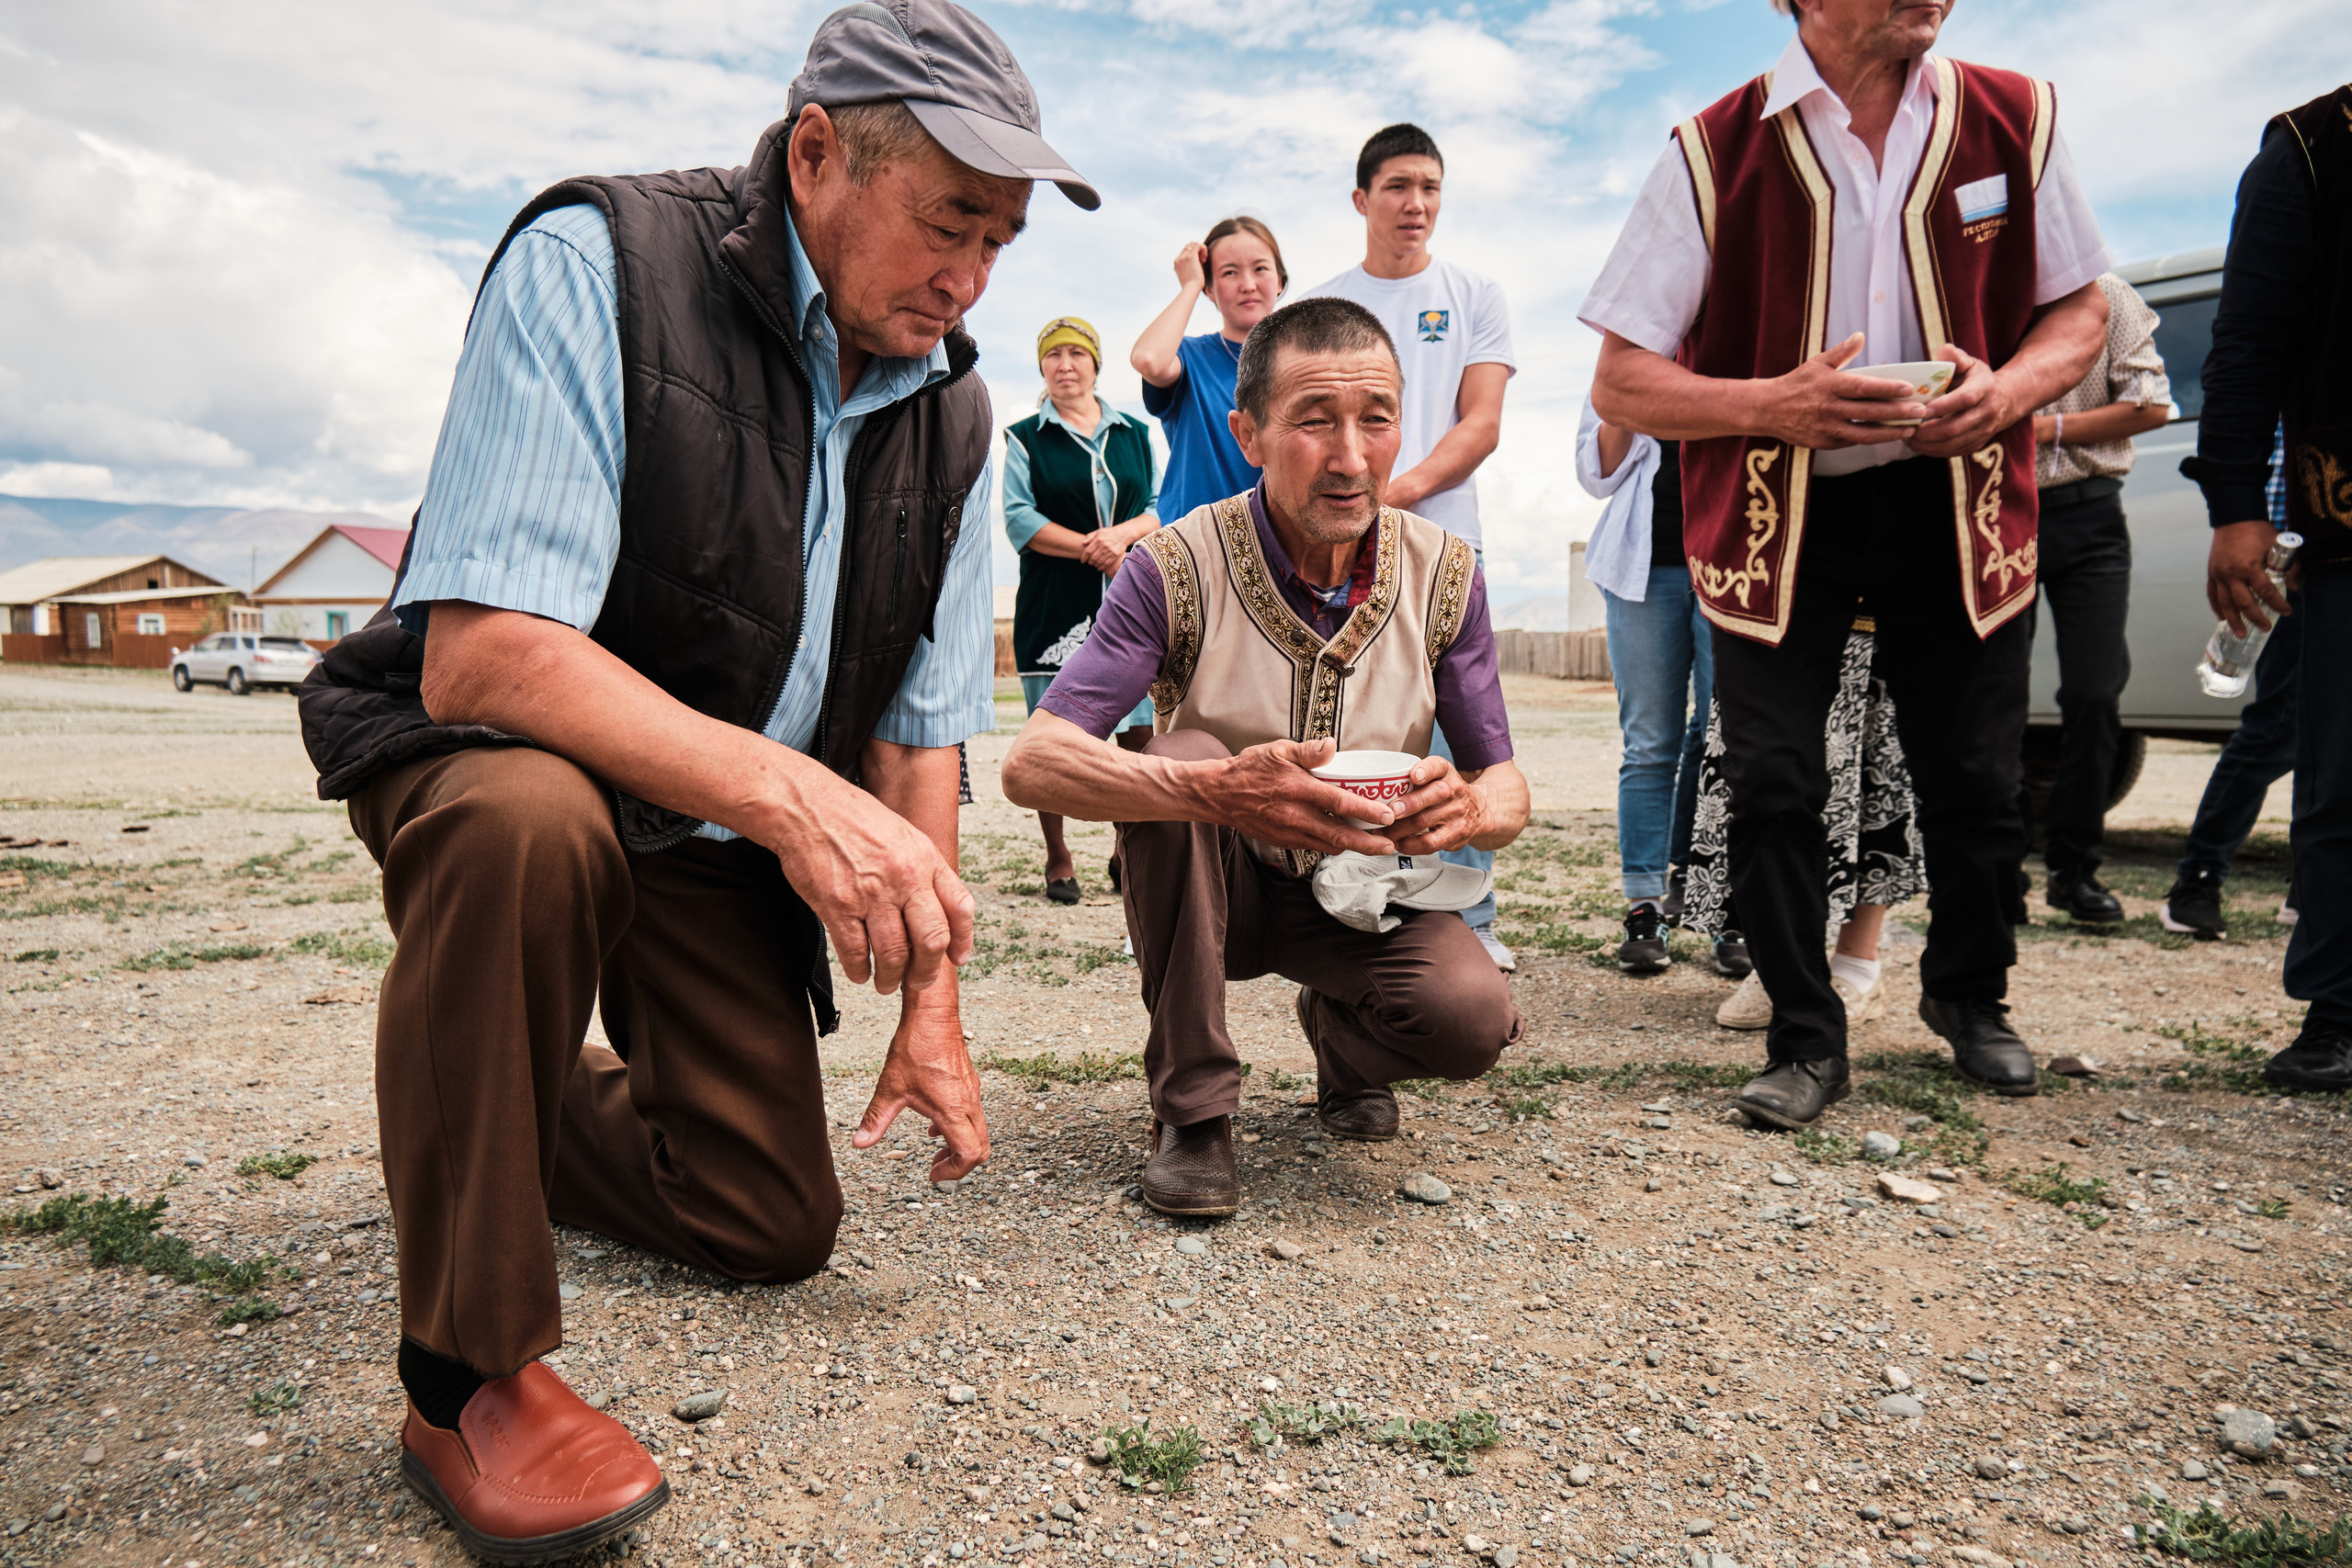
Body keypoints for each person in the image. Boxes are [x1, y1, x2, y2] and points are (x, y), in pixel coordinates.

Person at [293, 2, 1095, 1554]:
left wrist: (931, 999)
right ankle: (464, 1375)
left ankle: (487, 1103)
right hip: (513, 766)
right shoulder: (599, 265)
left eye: (998, 244)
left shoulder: (956, 410)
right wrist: (793, 803)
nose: (969, 279)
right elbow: (485, 655)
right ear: (815, 156)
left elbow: (920, 735)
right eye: (947, 223)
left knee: (769, 1219)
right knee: (528, 822)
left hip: (711, 824)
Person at [1581, 0, 2113, 1128]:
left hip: (1958, 499)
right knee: (1774, 778)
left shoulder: (2017, 117)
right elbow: (1622, 382)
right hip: (1783, 515)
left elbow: (2080, 311)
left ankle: (1969, 998)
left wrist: (2008, 392)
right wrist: (1771, 404)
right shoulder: (1710, 149)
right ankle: (1803, 1032)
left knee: (1973, 771)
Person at [1001, 297, 1527, 1217]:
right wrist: (1216, 789)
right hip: (1218, 893)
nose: (1351, 456)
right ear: (1247, 433)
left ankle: (1342, 1036)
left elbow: (1506, 781)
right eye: (1313, 422)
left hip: (1364, 895)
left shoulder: (1448, 573)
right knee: (1180, 752)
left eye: (1376, 418)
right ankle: (1194, 1111)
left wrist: (1471, 810)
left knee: (1471, 1020)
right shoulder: (1172, 564)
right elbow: (1033, 764)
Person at [1301, 123, 1518, 973]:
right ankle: (1357, 898)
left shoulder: (1474, 294)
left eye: (1429, 186)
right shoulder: (1323, 306)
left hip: (1444, 547)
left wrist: (1390, 494)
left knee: (1465, 734)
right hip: (1339, 550)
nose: (1415, 203)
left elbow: (1483, 423)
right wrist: (1352, 504)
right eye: (1397, 186)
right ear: (1362, 199)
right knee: (1362, 730)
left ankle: (1473, 914)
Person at [2180, 81, 2352, 1091]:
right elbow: (2246, 343)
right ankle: (2336, 1011)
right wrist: (2236, 503)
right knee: (2339, 781)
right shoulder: (2310, 145)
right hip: (2343, 520)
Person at [1684, 615, 1926, 1049]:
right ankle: (1780, 961)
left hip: (1875, 609)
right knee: (1762, 775)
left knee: (1874, 768)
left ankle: (1857, 964)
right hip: (1769, 603)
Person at [1577, 401, 1744, 977]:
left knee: (1731, 743)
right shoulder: (1627, 363)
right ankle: (1645, 906)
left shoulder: (1740, 349)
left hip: (1738, 560)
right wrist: (1623, 393)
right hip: (1644, 568)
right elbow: (1595, 474)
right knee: (1649, 745)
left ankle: (1729, 903)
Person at [2024, 271, 2172, 924]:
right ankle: (1998, 875)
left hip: (2091, 515)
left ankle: (2073, 869)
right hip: (2001, 511)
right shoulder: (1982, 286)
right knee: (1993, 695)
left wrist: (2044, 428)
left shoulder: (2108, 294)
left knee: (2094, 692)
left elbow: (2150, 404)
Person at [1004, 314, 1159, 902]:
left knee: (1139, 736)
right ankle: (1058, 855)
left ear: (1096, 363)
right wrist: (1092, 547)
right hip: (1055, 606)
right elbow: (1021, 519)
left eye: (1076, 354)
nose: (1065, 365)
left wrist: (1120, 538)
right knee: (1055, 738)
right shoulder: (1024, 437)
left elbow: (1156, 504)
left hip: (1130, 603)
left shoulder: (1135, 434)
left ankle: (1131, 847)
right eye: (1053, 356)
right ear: (1042, 367)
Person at [2165, 425, 2301, 940]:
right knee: (2276, 730)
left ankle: (2312, 886)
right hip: (2301, 564)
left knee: (2334, 734)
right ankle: (2197, 881)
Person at [1132, 216, 1284, 523]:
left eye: (1260, 268)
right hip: (1194, 548)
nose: (1248, 285)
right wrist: (1191, 284)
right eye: (1229, 273)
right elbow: (1149, 359)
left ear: (1280, 281)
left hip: (1277, 550)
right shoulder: (1190, 357)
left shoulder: (1307, 366)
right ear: (1210, 290)